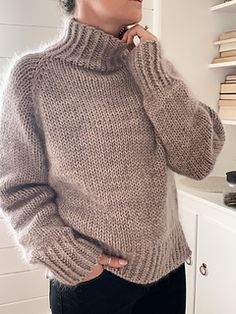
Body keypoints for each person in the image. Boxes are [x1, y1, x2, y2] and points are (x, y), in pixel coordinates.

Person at [0, 0, 225, 313]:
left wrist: (154, 73)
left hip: (169, 271)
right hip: (92, 282)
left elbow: (197, 160)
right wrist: (75, 260)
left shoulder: (151, 68)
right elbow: (19, 190)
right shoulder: (35, 75)